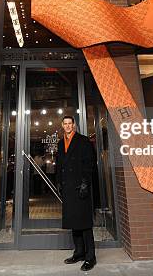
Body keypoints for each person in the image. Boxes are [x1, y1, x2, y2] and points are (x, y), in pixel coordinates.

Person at [56, 115, 97, 271]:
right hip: (68, 188)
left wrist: (85, 183)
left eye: (70, 123)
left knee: (85, 224)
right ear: (62, 125)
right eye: (65, 124)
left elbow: (89, 163)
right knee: (74, 222)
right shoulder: (61, 143)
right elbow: (59, 164)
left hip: (80, 187)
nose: (67, 126)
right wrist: (58, 182)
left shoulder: (83, 140)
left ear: (74, 125)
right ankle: (79, 252)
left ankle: (90, 257)